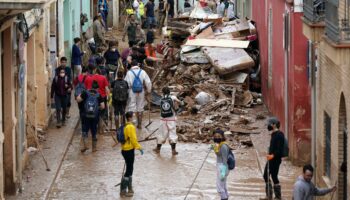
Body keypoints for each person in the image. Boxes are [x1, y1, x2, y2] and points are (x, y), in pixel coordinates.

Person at [153, 86, 183, 155]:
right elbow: (180, 103)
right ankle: (173, 150)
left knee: (161, 134)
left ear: (163, 92)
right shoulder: (173, 97)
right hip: (171, 119)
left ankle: (158, 149)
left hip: (163, 119)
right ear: (169, 92)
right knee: (172, 134)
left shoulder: (161, 99)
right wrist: (181, 103)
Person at [77, 81, 105, 152]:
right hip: (95, 116)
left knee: (85, 130)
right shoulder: (98, 95)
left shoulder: (85, 93)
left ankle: (85, 145)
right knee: (94, 130)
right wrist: (98, 108)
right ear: (97, 88)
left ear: (91, 87)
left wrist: (80, 95)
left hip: (85, 115)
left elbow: (78, 100)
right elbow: (103, 106)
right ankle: (94, 148)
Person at [120, 111, 144, 197]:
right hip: (129, 150)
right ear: (129, 118)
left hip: (124, 149)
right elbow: (133, 140)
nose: (134, 118)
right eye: (133, 116)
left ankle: (129, 188)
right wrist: (140, 148)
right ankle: (123, 190)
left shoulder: (125, 125)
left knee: (130, 168)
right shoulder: (131, 127)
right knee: (129, 169)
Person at [260, 117, 285, 200]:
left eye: (269, 124)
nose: (268, 126)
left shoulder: (280, 135)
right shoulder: (273, 134)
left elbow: (280, 150)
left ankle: (278, 196)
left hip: (276, 160)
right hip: (271, 159)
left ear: (274, 125)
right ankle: (269, 196)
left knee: (274, 176)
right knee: (266, 175)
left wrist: (272, 155)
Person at [124, 60, 152, 129]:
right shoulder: (142, 72)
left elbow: (126, 83)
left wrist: (126, 93)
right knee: (140, 107)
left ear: (132, 66)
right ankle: (139, 124)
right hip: (141, 91)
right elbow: (148, 82)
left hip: (131, 91)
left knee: (132, 106)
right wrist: (148, 91)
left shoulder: (129, 73)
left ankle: (132, 124)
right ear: (138, 65)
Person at [213, 129, 230, 200]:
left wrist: (223, 171)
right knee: (223, 185)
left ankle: (223, 198)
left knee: (219, 185)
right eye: (215, 136)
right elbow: (218, 154)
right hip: (220, 165)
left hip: (223, 166)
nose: (217, 138)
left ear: (222, 137)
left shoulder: (223, 146)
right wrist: (214, 147)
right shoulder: (219, 145)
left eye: (219, 136)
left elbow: (225, 160)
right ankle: (226, 197)